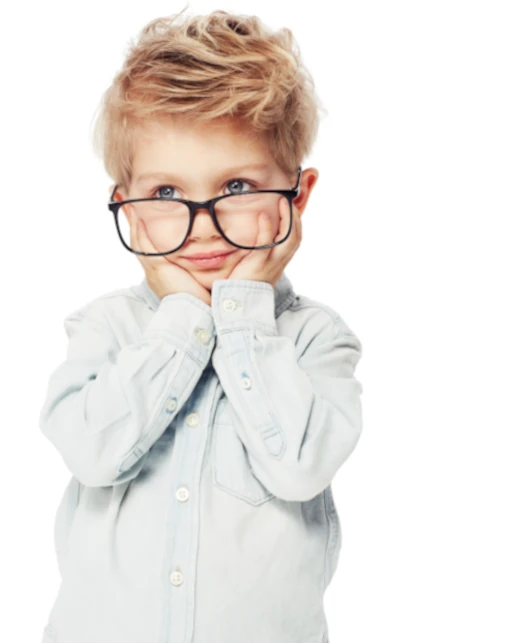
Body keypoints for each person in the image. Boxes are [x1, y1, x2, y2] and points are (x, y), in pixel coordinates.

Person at [38, 8, 363, 643]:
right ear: (127, 209)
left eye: (236, 184)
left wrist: (241, 315)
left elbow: (299, 464)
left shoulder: (318, 341)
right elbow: (93, 452)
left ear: (296, 197)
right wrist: (185, 319)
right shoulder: (103, 328)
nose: (204, 223)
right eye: (164, 195)